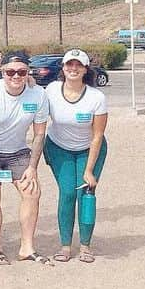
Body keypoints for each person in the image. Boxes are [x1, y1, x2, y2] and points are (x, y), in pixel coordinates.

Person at [0, 52, 51, 264]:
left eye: (21, 72)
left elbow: (39, 134)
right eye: (10, 72)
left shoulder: (38, 95)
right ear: (3, 72)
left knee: (32, 192)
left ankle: (27, 247)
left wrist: (32, 167)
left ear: (28, 73)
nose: (16, 76)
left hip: (18, 151)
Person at [43, 49, 108, 263]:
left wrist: (89, 170)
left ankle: (86, 245)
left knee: (85, 193)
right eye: (69, 65)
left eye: (78, 65)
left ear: (85, 69)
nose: (73, 69)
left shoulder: (96, 97)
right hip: (59, 147)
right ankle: (65, 245)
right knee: (67, 193)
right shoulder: (52, 89)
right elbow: (29, 92)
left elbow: (97, 136)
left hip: (89, 149)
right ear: (62, 68)